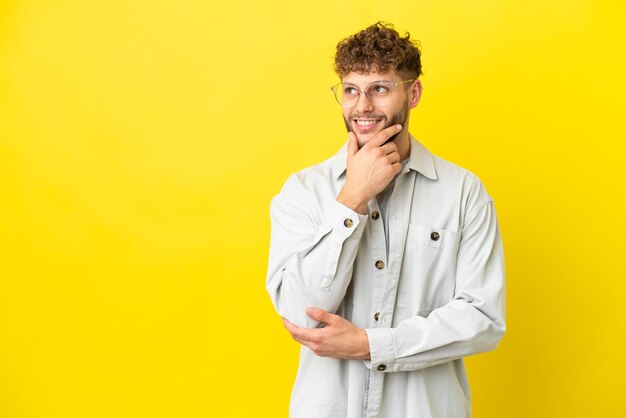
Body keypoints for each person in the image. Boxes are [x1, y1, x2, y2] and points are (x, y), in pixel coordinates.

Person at [266, 22, 506, 418]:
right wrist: (352, 198)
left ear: (412, 93)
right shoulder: (303, 191)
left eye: (379, 88)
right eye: (350, 90)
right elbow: (300, 311)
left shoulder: (463, 192)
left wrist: (371, 345)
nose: (362, 106)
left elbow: (482, 318)